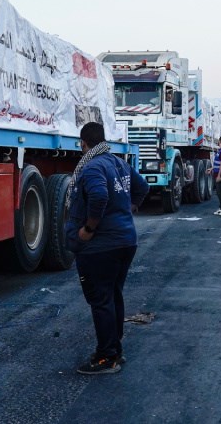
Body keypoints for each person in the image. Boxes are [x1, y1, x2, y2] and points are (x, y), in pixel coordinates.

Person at [66, 121, 148, 375]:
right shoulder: (118, 163)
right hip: (125, 241)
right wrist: (129, 208)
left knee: (101, 300)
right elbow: (142, 186)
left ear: (83, 143)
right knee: (113, 296)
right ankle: (115, 350)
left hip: (101, 247)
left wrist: (88, 229)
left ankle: (106, 357)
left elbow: (99, 196)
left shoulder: (92, 167)